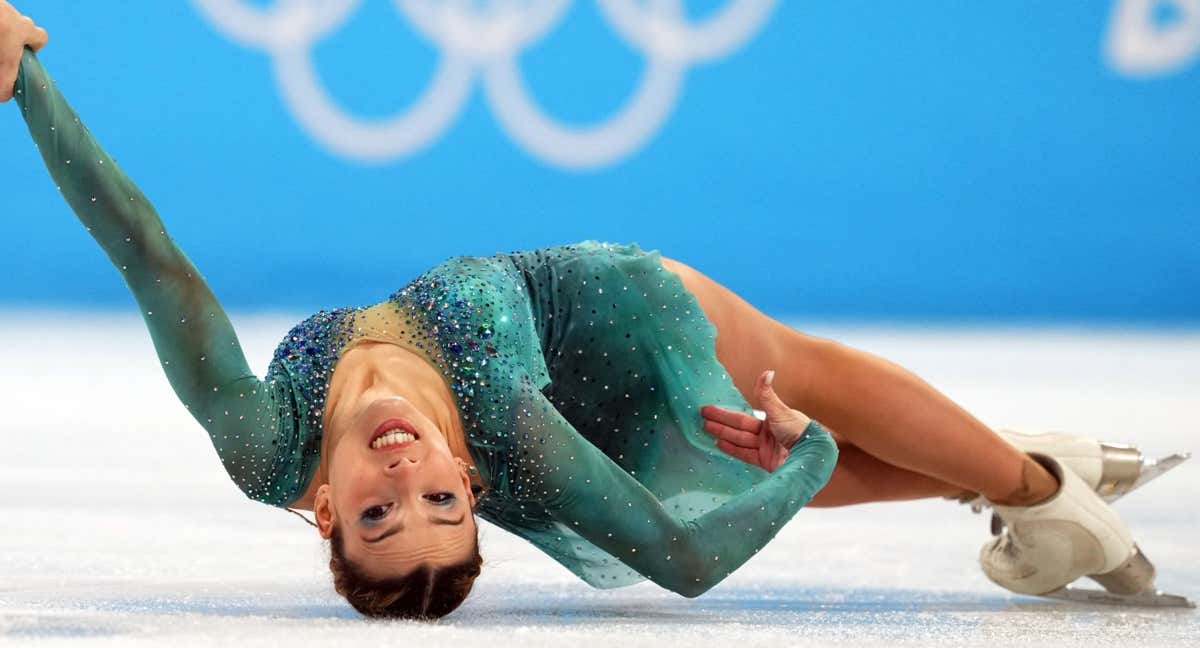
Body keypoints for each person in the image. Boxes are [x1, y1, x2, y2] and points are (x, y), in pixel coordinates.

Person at [1, 3, 1157, 620]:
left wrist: (23, 79)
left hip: (607, 332)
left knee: (799, 395)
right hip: (612, 353)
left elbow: (150, 262)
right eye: (443, 504)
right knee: (792, 425)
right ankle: (1039, 490)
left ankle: (1028, 480)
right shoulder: (500, 423)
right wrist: (799, 467)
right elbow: (689, 563)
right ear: (475, 482)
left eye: (382, 514)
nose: (409, 480)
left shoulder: (267, 445)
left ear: (323, 513)